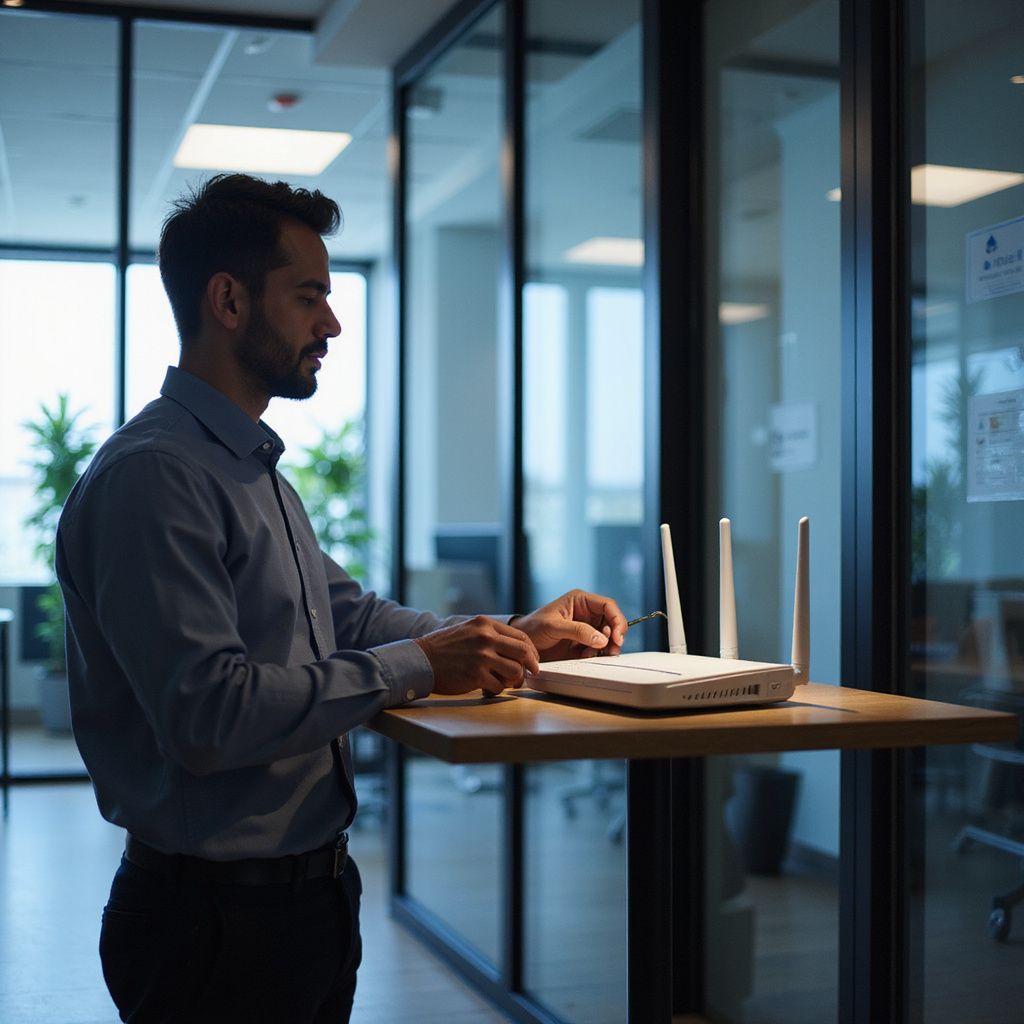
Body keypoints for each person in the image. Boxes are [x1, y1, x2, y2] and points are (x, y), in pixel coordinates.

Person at [55, 173, 628, 1024]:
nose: (332, 322)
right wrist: (420, 668)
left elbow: (349, 619)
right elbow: (208, 715)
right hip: (212, 925)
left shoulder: (252, 471)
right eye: (309, 295)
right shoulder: (158, 476)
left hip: (306, 900)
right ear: (229, 301)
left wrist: (515, 635)